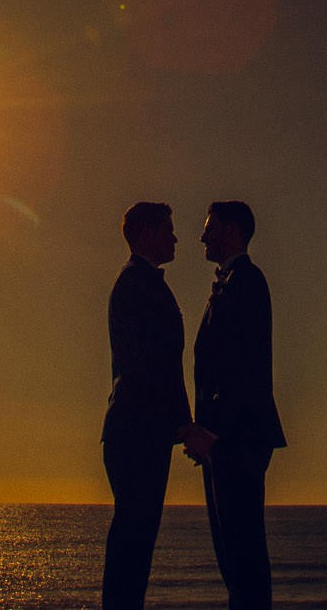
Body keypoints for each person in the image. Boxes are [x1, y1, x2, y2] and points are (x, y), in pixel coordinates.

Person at [102, 202, 215, 610]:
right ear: (147, 232)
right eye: (168, 229)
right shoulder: (137, 284)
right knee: (133, 538)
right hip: (137, 431)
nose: (175, 237)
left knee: (137, 538)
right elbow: (148, 365)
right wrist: (184, 426)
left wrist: (181, 424)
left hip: (140, 430)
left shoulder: (140, 282)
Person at [191, 200, 286, 610]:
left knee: (242, 551)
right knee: (233, 553)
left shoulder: (246, 281)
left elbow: (242, 366)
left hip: (236, 438)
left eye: (210, 228)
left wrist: (214, 433)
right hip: (226, 438)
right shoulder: (232, 281)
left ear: (231, 230)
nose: (202, 236)